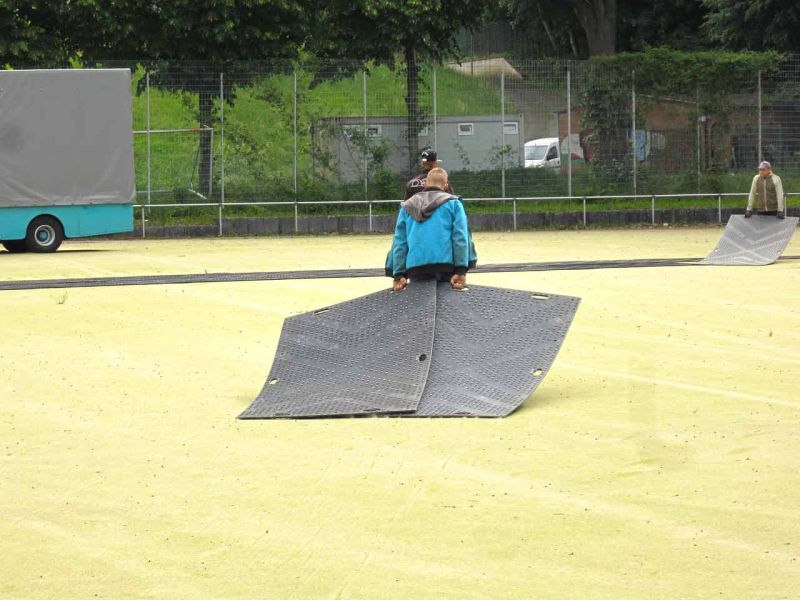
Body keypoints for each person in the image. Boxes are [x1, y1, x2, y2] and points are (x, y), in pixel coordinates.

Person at [388, 167, 476, 292]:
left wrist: (398, 274)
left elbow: (399, 242)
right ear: (446, 186)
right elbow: (460, 237)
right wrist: (461, 270)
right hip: (446, 267)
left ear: (425, 184)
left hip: (415, 267)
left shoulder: (407, 207)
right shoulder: (454, 204)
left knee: (420, 307)